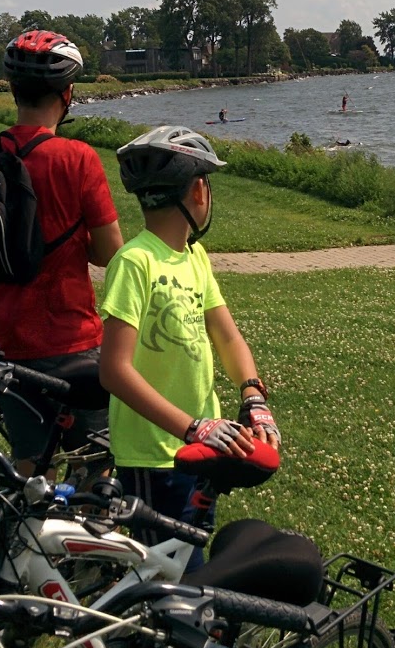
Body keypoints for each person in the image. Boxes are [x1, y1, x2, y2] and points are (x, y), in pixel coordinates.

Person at [0, 29, 123, 475]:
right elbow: (109, 254)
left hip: (7, 344)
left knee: (30, 471)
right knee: (93, 471)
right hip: (74, 343)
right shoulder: (78, 159)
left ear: (13, 90)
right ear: (68, 93)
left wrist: (8, 288)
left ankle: (25, 540)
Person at [98, 125, 279, 552]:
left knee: (189, 552)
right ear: (199, 191)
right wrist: (192, 427)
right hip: (154, 453)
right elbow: (114, 370)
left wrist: (253, 395)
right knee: (166, 571)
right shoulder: (134, 261)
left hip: (206, 444)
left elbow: (227, 335)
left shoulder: (194, 257)